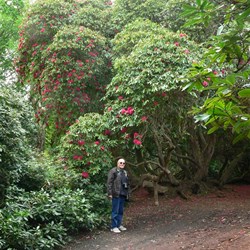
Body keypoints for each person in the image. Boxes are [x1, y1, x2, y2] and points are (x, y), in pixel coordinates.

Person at [107, 158, 129, 233]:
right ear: (117, 163)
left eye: (123, 163)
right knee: (115, 211)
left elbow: (127, 183)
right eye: (120, 163)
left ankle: (119, 225)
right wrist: (110, 193)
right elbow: (109, 183)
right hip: (115, 194)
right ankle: (114, 226)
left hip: (123, 194)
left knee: (120, 211)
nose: (122, 164)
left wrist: (127, 193)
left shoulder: (125, 172)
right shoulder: (113, 171)